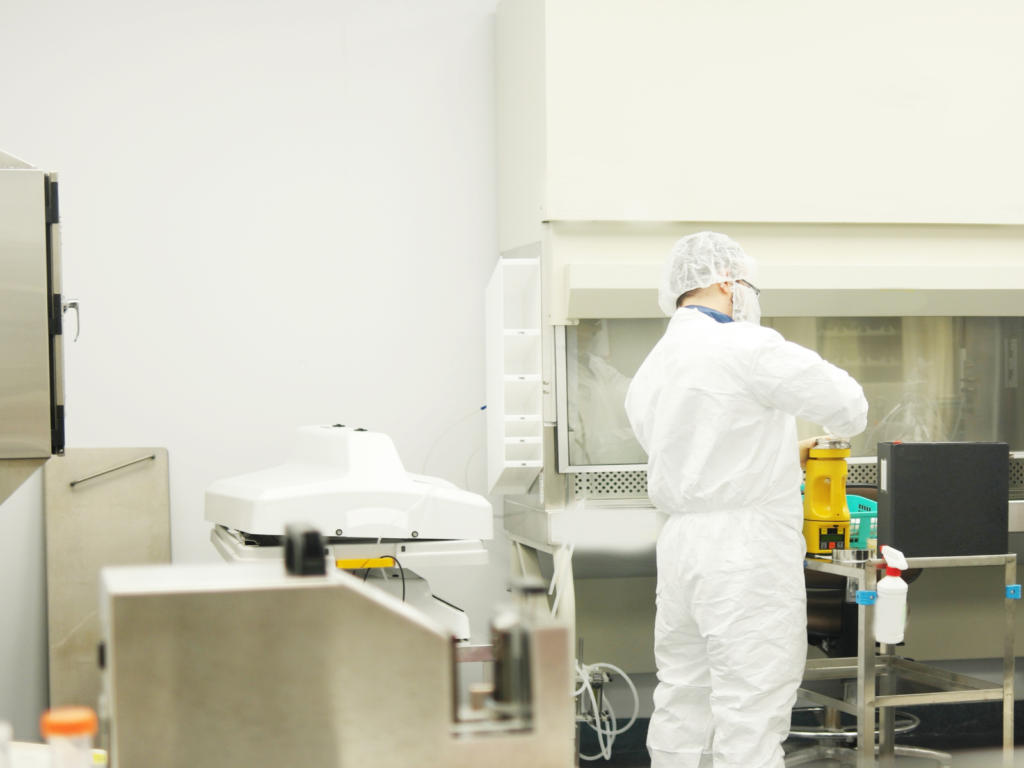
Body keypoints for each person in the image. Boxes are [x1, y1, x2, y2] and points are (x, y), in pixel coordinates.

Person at [624, 232, 868, 768]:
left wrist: (781, 452)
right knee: (751, 703)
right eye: (747, 285)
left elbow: (704, 448)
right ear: (726, 282)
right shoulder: (744, 345)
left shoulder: (652, 367)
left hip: (683, 544)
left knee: (682, 693)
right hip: (745, 551)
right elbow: (847, 405)